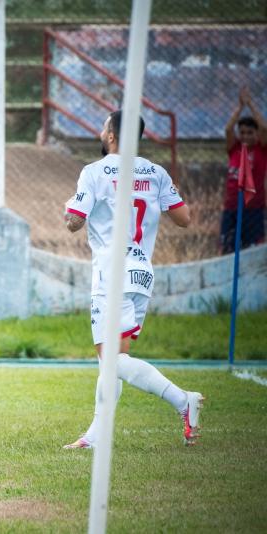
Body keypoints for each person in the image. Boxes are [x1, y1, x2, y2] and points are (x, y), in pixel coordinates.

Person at [62, 110, 204, 449]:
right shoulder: (155, 172)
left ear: (111, 134)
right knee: (114, 360)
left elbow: (74, 222)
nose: (100, 130)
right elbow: (184, 218)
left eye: (103, 126)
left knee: (111, 361)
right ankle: (96, 435)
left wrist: (69, 212)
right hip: (141, 273)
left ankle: (183, 400)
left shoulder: (94, 172)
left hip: (111, 273)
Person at [221, 87, 267, 254]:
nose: (246, 136)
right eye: (242, 133)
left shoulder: (261, 150)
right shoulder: (235, 148)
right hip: (232, 207)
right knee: (227, 248)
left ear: (256, 134)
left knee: (252, 250)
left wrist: (251, 105)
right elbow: (228, 130)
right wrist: (240, 107)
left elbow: (264, 128)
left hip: (253, 209)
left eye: (250, 133)